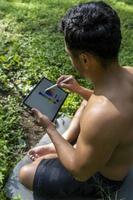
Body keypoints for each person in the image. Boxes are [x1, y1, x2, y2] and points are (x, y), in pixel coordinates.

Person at [19, 1, 133, 199]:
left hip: (103, 177)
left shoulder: (101, 114)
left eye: (69, 54)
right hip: (115, 150)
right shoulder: (129, 73)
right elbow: (115, 107)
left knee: (26, 173)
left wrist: (50, 128)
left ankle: (66, 147)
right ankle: (67, 146)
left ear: (85, 59)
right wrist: (80, 90)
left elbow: (80, 172)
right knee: (86, 102)